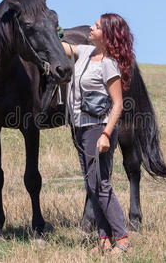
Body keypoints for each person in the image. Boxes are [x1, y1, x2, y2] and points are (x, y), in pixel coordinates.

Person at [62, 13, 135, 255]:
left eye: (96, 26)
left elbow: (118, 104)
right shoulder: (85, 52)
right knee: (92, 185)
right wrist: (48, 26)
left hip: (98, 129)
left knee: (101, 185)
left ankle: (123, 240)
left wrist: (106, 134)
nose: (90, 28)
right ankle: (104, 239)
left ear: (108, 35)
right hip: (81, 128)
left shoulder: (109, 64)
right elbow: (60, 45)